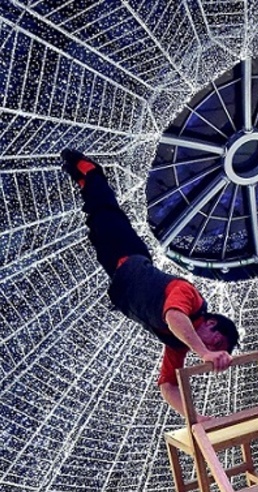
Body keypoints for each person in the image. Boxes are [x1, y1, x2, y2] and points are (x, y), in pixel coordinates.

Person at [60, 149, 239, 416]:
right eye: (215, 343)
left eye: (214, 350)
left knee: (96, 220)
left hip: (116, 271)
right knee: (104, 213)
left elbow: (167, 385)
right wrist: (204, 354)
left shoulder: (179, 342)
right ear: (212, 323)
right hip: (128, 252)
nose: (211, 349)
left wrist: (195, 418)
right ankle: (91, 172)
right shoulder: (190, 298)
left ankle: (87, 181)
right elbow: (173, 315)